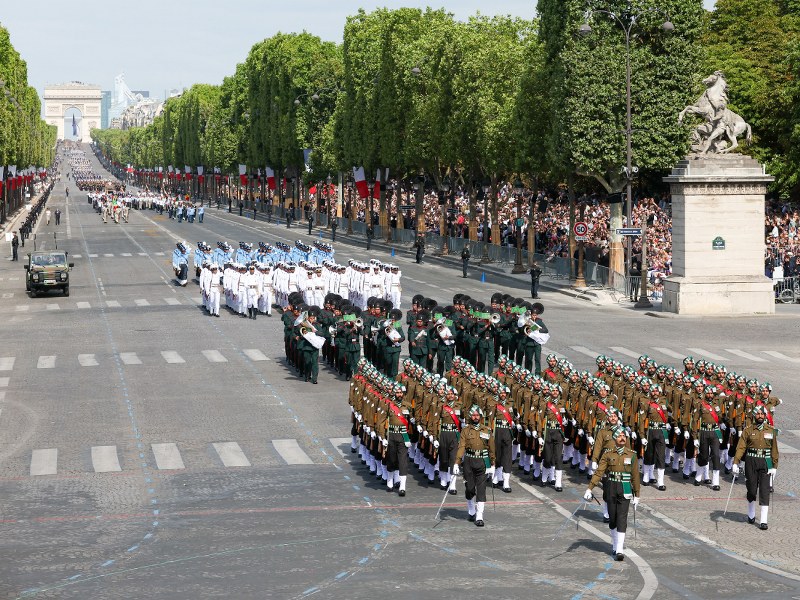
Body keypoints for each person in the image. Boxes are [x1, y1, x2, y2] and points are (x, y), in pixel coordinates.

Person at [584, 427, 641, 561]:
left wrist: (637, 495)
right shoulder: (608, 454)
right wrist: (589, 488)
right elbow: (599, 472)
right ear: (615, 439)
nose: (622, 438)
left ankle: (620, 549)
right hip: (611, 486)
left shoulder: (632, 455)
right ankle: (615, 544)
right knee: (613, 518)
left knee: (622, 518)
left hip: (625, 487)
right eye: (619, 436)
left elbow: (635, 476)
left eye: (624, 436)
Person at [733, 404, 779, 530]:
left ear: (765, 416)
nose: (760, 416)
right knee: (751, 489)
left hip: (766, 461)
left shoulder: (771, 430)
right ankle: (751, 514)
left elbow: (774, 449)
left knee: (765, 490)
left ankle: (763, 520)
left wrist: (775, 465)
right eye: (758, 414)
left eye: (762, 414)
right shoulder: (748, 430)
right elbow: (741, 447)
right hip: (751, 461)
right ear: (754, 415)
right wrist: (736, 462)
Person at [453, 404, 496, 527]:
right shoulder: (465, 430)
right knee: (470, 488)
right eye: (473, 415)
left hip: (482, 461)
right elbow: (461, 447)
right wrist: (457, 462)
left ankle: (479, 516)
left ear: (481, 416)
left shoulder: (487, 430)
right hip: (469, 461)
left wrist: (493, 463)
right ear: (470, 416)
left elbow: (491, 448)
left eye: (477, 415)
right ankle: (471, 510)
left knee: (481, 489)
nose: (475, 417)